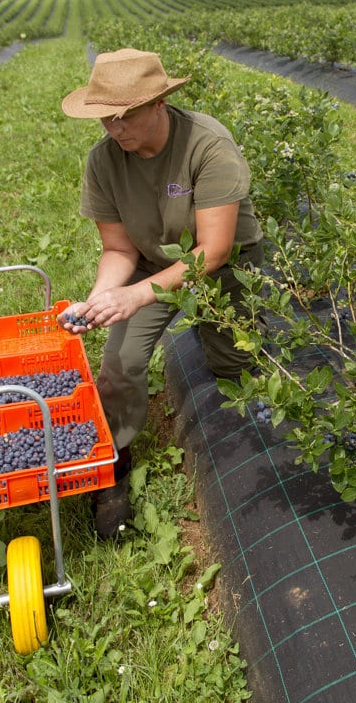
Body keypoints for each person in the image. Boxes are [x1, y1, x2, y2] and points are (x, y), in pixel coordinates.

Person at [59, 48, 263, 540]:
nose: (115, 128)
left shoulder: (207, 146)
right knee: (120, 364)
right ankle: (115, 461)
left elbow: (211, 252)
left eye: (125, 116)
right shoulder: (104, 162)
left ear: (159, 105)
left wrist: (137, 297)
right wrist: (103, 298)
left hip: (223, 267)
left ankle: (249, 445)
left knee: (233, 365)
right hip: (151, 260)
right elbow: (118, 249)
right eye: (105, 117)